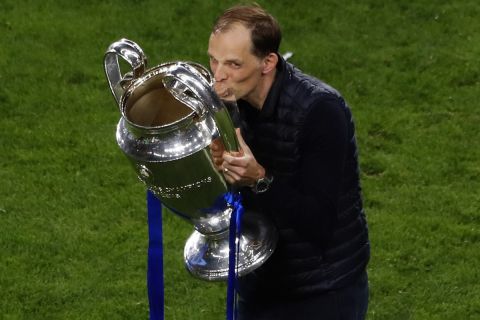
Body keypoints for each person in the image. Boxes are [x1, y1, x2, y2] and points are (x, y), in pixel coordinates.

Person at [208, 4, 370, 320]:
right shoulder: (229, 105)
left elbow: (318, 222)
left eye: (233, 64)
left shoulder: (321, 111)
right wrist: (217, 167)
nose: (218, 75)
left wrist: (258, 179)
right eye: (213, 60)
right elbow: (226, 203)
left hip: (322, 292)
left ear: (268, 62)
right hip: (260, 284)